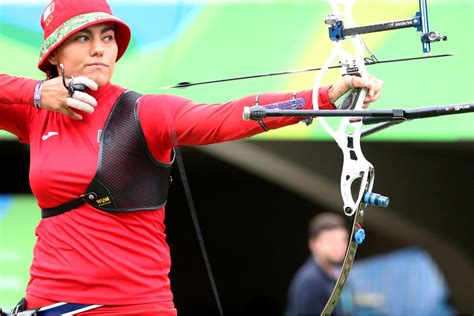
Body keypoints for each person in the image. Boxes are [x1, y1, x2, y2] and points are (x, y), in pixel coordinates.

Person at [0, 0, 383, 314]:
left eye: (107, 37)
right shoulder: (35, 114)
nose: (99, 48)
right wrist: (36, 92)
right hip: (48, 302)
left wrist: (325, 96)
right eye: (82, 37)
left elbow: (226, 117)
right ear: (55, 53)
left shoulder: (142, 112)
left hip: (133, 307)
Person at [287, 213, 351, 315]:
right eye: (331, 241)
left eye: (343, 240)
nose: (339, 246)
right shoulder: (310, 282)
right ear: (314, 244)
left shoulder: (335, 274)